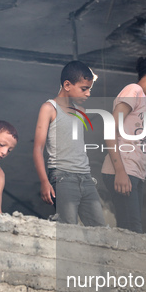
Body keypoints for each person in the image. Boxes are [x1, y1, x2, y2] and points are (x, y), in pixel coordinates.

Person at [101, 54, 146, 233]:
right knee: (132, 229)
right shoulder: (133, 90)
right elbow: (110, 128)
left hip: (134, 173)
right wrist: (120, 171)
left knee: (131, 227)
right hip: (123, 170)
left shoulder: (140, 97)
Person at [33, 61, 106, 226]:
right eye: (84, 89)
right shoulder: (49, 108)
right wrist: (44, 182)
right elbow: (38, 149)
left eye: (90, 89)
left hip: (86, 178)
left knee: (101, 229)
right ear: (67, 85)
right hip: (63, 177)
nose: (88, 94)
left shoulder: (81, 111)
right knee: (68, 227)